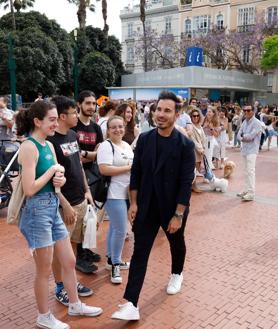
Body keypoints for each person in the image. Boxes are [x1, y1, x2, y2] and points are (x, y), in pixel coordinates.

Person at [16, 101, 102, 329]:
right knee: (44, 269)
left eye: (56, 119)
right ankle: (43, 316)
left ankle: (74, 303)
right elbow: (30, 188)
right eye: (52, 119)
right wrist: (53, 173)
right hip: (37, 211)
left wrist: (59, 179)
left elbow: (56, 177)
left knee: (69, 260)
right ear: (37, 121)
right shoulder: (29, 147)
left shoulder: (48, 146)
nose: (56, 123)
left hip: (52, 206)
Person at [111, 91, 195, 321]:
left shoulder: (185, 145)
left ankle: (177, 273)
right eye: (158, 109)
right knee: (140, 252)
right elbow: (136, 173)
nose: (161, 114)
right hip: (147, 206)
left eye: (167, 110)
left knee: (176, 244)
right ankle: (131, 303)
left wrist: (179, 214)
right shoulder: (145, 139)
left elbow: (186, 182)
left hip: (172, 208)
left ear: (177, 115)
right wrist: (134, 203)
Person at [47, 96, 95, 307]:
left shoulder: (73, 135)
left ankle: (71, 281)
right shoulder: (51, 143)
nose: (78, 115)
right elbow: (52, 179)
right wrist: (64, 204)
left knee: (73, 245)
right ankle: (60, 286)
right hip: (63, 205)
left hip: (80, 200)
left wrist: (87, 191)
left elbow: (78, 166)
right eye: (74, 112)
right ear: (63, 116)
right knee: (60, 249)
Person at [97, 115, 134, 284]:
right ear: (108, 130)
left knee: (115, 227)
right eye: (114, 127)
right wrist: (128, 168)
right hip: (113, 193)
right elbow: (104, 169)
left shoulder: (126, 145)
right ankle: (115, 264)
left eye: (120, 126)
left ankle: (112, 259)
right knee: (121, 229)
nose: (118, 130)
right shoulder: (106, 146)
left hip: (127, 193)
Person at [72, 90, 103, 269]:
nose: (91, 107)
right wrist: (87, 155)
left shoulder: (96, 128)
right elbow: (73, 157)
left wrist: (85, 154)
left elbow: (98, 154)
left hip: (92, 177)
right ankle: (78, 257)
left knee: (89, 217)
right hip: (76, 178)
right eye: (88, 103)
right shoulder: (73, 127)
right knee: (79, 217)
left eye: (93, 103)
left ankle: (85, 249)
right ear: (79, 104)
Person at [237, 105, 262, 201]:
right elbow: (238, 134)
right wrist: (244, 137)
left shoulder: (257, 123)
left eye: (248, 110)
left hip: (252, 150)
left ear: (253, 111)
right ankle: (246, 190)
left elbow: (251, 137)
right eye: (244, 110)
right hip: (245, 149)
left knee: (250, 171)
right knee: (246, 171)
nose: (246, 112)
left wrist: (244, 136)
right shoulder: (244, 121)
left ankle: (251, 193)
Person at [190, 107, 206, 183]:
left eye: (197, 115)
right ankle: (193, 185)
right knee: (193, 169)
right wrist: (201, 150)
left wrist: (203, 148)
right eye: (194, 116)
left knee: (199, 169)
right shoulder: (190, 127)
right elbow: (193, 140)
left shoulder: (200, 126)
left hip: (201, 151)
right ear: (191, 117)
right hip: (194, 151)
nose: (196, 117)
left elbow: (204, 139)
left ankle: (194, 185)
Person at [202, 105, 220, 170]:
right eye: (207, 111)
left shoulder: (216, 122)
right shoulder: (204, 119)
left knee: (208, 155)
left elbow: (216, 135)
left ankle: (208, 169)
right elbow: (199, 129)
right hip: (202, 139)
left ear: (213, 113)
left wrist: (211, 128)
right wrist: (204, 126)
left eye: (210, 112)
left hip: (210, 139)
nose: (208, 113)